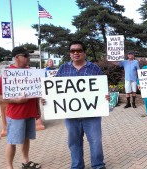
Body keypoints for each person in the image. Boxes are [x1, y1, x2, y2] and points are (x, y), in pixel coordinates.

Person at [55, 41, 106, 169]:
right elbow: (55, 90)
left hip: (92, 113)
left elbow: (102, 88)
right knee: (74, 142)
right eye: (73, 51)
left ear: (84, 52)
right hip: (71, 114)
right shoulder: (63, 68)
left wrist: (106, 95)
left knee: (95, 141)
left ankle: (98, 165)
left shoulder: (94, 68)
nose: (76, 53)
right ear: (70, 53)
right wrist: (48, 100)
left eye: (79, 50)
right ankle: (77, 166)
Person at [0, 46, 41, 169]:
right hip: (16, 115)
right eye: (26, 55)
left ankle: (26, 162)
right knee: (12, 141)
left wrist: (37, 110)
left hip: (30, 113)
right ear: (17, 57)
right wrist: (16, 100)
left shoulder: (31, 72)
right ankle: (9, 166)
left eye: (29, 55)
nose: (29, 58)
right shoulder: (8, 74)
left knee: (26, 138)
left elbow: (35, 93)